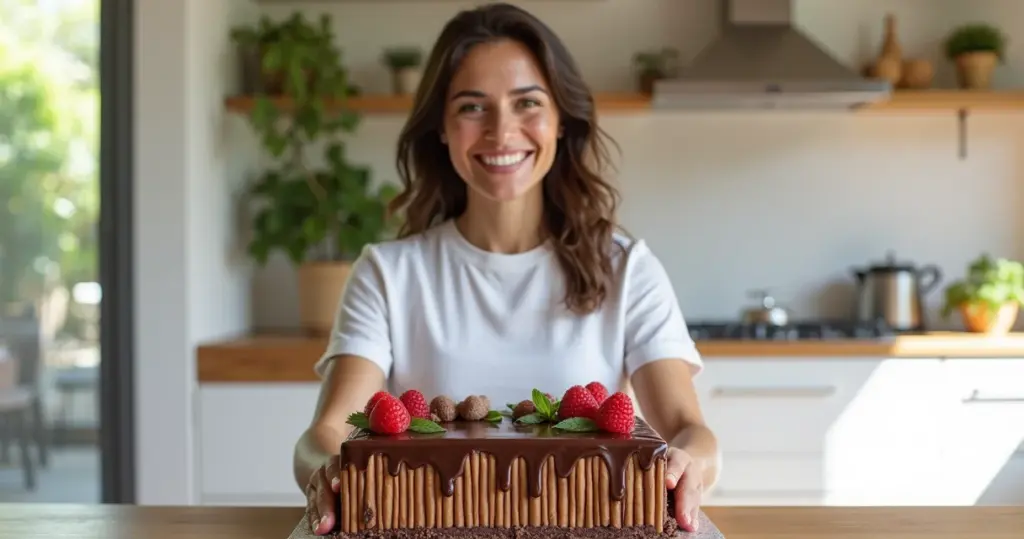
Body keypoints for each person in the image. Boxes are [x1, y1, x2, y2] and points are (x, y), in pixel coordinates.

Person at [294, 2, 719, 535]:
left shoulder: (627, 268)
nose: (501, 130)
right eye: (473, 107)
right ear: (442, 129)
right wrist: (327, 470)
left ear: (562, 120)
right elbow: (328, 430)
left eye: (527, 103)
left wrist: (688, 465)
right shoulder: (388, 273)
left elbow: (689, 431)